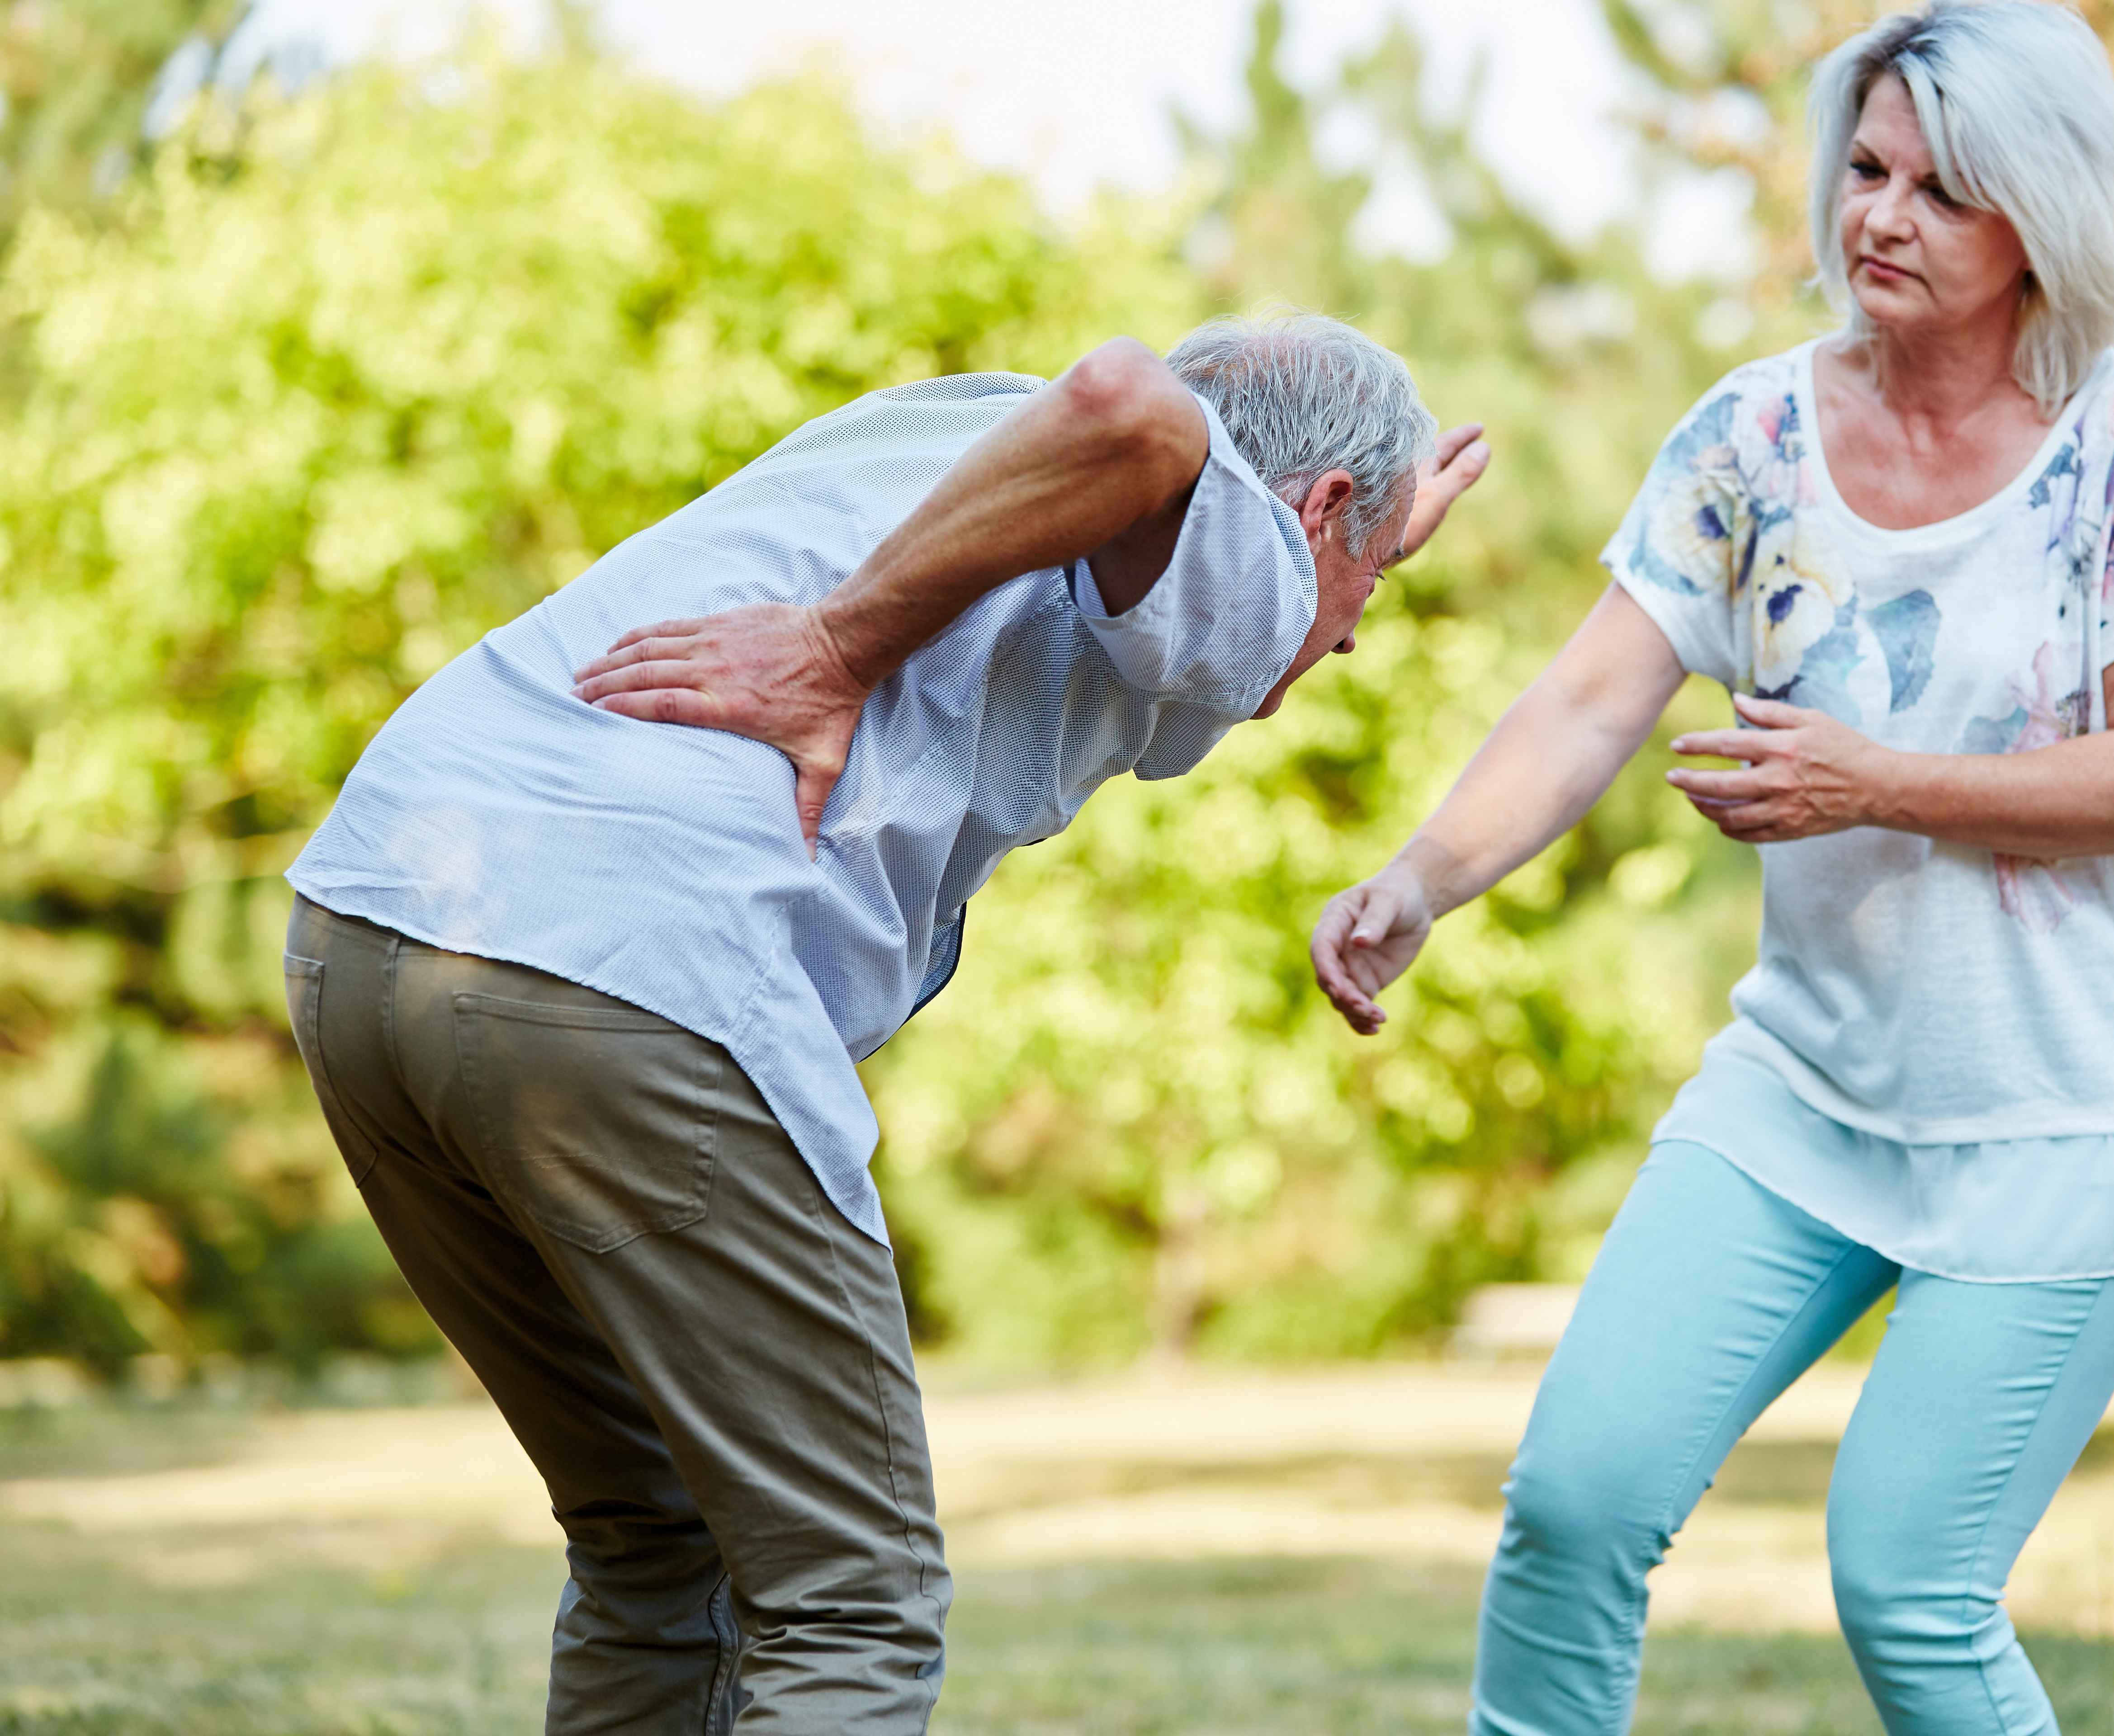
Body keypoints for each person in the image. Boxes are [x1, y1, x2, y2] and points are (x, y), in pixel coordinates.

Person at [281, 311, 1487, 1732]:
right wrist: (838, 649)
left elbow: (1125, 445)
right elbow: (1134, 409)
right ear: (1319, 507)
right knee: (848, 1596)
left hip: (377, 925)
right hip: (626, 969)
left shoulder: (945, 425)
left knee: (651, 1541)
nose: (1343, 641)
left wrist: (1372, 534)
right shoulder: (1235, 517)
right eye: (1375, 589)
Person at [1310, 5, 2114, 1732]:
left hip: (2068, 1118)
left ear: (2038, 217)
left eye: (1940, 191)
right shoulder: (1752, 438)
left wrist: (1873, 781)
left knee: (1909, 1587)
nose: (1878, 217)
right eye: (1868, 171)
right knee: (1575, 1503)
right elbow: (1594, 697)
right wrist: (1425, 875)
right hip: (1810, 1092)